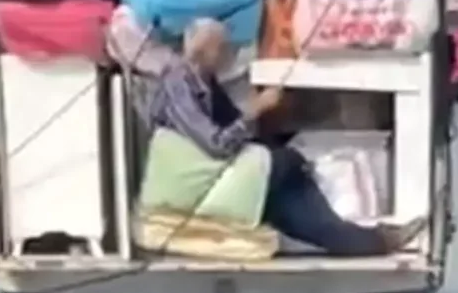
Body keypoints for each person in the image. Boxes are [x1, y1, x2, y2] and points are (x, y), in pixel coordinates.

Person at [148, 18, 424, 256]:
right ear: (205, 49)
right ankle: (369, 240)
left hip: (231, 175)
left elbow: (236, 127)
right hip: (205, 179)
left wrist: (264, 114)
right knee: (288, 167)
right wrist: (257, 109)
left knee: (292, 182)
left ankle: (369, 240)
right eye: (222, 48)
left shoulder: (205, 83)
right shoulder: (179, 84)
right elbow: (217, 143)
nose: (227, 55)